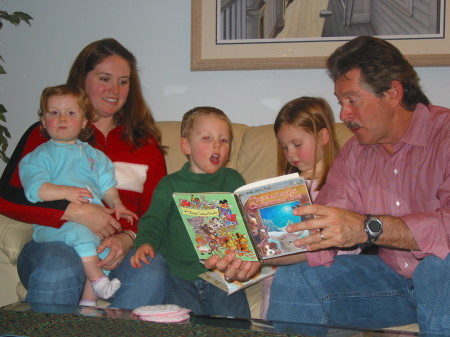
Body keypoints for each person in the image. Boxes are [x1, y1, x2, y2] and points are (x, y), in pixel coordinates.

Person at [206, 35, 450, 334]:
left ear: (393, 93)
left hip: (443, 278)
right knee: (297, 277)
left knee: (440, 266)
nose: (344, 114)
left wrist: (368, 227)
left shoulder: (445, 136)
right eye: (340, 102)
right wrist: (255, 253)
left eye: (352, 100)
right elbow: (318, 229)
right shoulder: (356, 152)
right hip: (392, 281)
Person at [0, 38, 168, 310]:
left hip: (116, 249)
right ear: (82, 79)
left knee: (151, 267)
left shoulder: (145, 143)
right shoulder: (47, 133)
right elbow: (6, 197)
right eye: (105, 78)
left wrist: (127, 238)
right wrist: (69, 211)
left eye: (123, 81)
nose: (115, 89)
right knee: (59, 263)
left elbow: (157, 212)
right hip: (55, 243)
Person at [20, 84, 139, 306]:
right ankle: (98, 282)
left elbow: (107, 185)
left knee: (105, 251)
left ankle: (88, 302)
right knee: (82, 237)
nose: (62, 118)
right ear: (44, 122)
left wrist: (117, 204)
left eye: (71, 113)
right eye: (54, 113)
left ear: (85, 121)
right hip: (54, 227)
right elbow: (34, 190)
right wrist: (66, 192)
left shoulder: (95, 156)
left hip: (91, 225)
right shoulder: (40, 155)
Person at [130, 106, 251, 318]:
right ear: (186, 145)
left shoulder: (234, 180)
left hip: (223, 277)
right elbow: (153, 221)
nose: (217, 145)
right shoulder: (169, 184)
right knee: (183, 322)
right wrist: (146, 242)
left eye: (224, 140)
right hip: (179, 276)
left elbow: (248, 223)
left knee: (236, 322)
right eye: (207, 138)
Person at [259, 96, 358, 319]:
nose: (290, 154)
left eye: (297, 144)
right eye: (284, 147)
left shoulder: (342, 186)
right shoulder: (284, 185)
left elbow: (350, 245)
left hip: (321, 282)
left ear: (323, 136)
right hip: (275, 282)